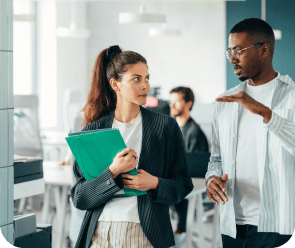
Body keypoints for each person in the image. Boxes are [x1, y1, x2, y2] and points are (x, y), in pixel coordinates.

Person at [70, 45, 193, 248]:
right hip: (99, 234)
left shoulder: (165, 127)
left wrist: (154, 183)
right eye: (136, 79)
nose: (145, 86)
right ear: (115, 84)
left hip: (146, 233)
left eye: (147, 78)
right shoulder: (90, 132)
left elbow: (183, 185)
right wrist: (113, 171)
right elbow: (79, 198)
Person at [205, 18, 295, 248]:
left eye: (239, 51)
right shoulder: (226, 100)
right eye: (229, 51)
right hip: (232, 225)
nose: (232, 59)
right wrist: (211, 179)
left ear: (264, 50)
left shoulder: (292, 96)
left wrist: (266, 113)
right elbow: (216, 157)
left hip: (278, 226)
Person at [169, 86, 209, 237]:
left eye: (176, 101)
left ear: (188, 104)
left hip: (189, 184)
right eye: (170, 101)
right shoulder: (171, 128)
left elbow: (193, 169)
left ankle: (180, 232)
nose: (171, 105)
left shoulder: (194, 132)